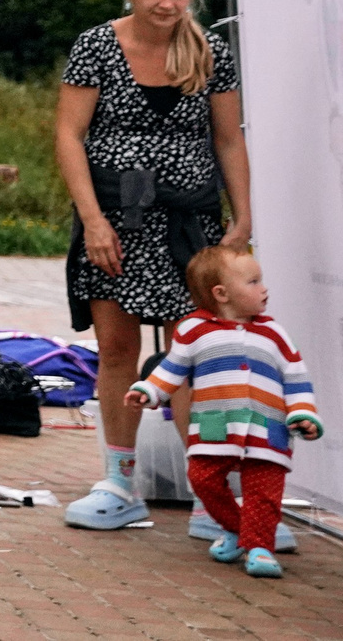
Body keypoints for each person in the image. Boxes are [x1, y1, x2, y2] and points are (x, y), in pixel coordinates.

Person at [56, 0, 254, 534]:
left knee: (196, 356)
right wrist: (92, 219)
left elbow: (228, 140)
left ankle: (211, 497)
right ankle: (120, 483)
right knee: (116, 351)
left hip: (192, 223)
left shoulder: (211, 50)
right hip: (116, 222)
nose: (166, 3)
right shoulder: (95, 46)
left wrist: (243, 218)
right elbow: (70, 136)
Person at [128, 246, 320, 577]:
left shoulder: (274, 332)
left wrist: (302, 412)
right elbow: (173, 368)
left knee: (263, 492)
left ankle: (259, 548)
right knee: (202, 477)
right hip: (215, 425)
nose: (264, 289)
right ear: (222, 294)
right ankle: (240, 529)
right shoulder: (193, 330)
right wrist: (149, 390)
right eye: (253, 281)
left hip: (268, 428)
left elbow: (295, 375)